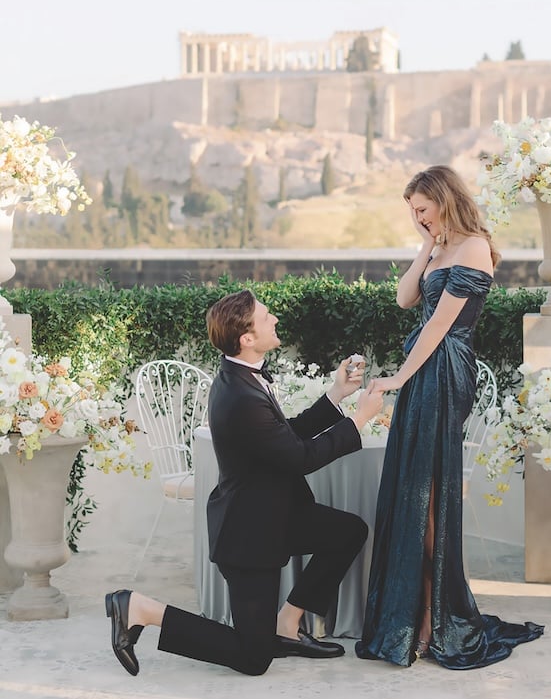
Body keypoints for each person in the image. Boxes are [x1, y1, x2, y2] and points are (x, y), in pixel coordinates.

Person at [105, 289, 383, 677]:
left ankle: (287, 624)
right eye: (267, 317)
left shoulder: (241, 378)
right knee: (254, 659)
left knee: (348, 532)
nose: (276, 320)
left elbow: (286, 437)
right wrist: (358, 420)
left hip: (274, 515)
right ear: (247, 338)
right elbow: (300, 458)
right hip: (249, 534)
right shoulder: (240, 396)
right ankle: (141, 609)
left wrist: (338, 394)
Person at [355, 165, 543, 669]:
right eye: (412, 211)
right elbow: (404, 298)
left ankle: (434, 619)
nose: (417, 217)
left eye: (422, 208)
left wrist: (396, 378)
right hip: (423, 370)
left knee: (431, 493)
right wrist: (425, 245)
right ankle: (416, 613)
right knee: (416, 488)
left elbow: (439, 326)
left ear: (443, 199)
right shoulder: (440, 248)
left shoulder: (476, 246)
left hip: (442, 369)